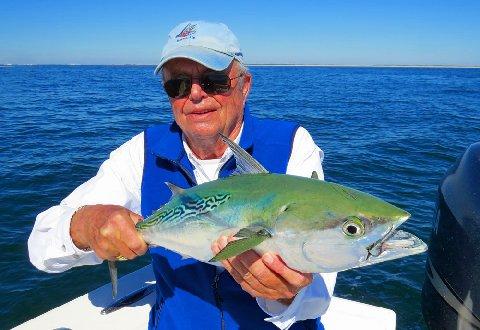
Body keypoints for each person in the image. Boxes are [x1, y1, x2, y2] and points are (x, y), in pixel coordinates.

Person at [28, 21, 337, 329]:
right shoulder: (142, 152)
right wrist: (86, 225)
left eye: (214, 80)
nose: (196, 95)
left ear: (244, 85)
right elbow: (41, 249)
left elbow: (320, 288)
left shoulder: (290, 144)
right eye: (178, 84)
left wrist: (286, 295)